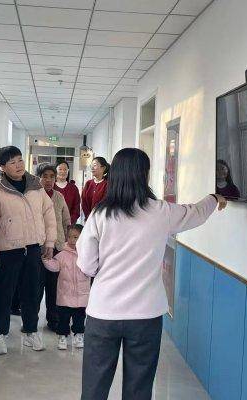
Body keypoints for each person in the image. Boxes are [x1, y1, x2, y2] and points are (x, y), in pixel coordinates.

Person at [77, 148, 227, 400]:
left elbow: (87, 265)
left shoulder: (100, 214)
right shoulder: (161, 211)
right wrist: (214, 198)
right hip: (145, 315)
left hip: (104, 313)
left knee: (94, 387)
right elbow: (196, 213)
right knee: (139, 387)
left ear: (115, 174)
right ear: (144, 175)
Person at [0, 146, 57, 354]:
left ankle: (30, 331)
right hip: (8, 251)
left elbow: (48, 213)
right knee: (4, 295)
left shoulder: (36, 187)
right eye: (12, 162)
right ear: (2, 167)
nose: (18, 165)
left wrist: (50, 242)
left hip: (33, 248)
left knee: (32, 293)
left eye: (20, 160)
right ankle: (0, 335)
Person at [36, 163, 71, 332]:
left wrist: (67, 242)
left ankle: (53, 319)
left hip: (57, 247)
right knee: (36, 286)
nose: (48, 180)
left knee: (54, 286)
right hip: (38, 247)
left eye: (52, 177)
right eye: (45, 176)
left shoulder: (59, 196)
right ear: (39, 178)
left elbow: (66, 221)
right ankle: (31, 321)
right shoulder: (33, 196)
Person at [43, 224, 89, 350]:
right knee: (63, 318)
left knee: (80, 318)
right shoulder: (62, 254)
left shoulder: (86, 254)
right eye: (69, 237)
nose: (72, 240)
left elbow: (91, 269)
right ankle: (62, 336)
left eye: (76, 237)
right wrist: (46, 260)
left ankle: (79, 335)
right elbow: (55, 266)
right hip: (65, 294)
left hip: (81, 295)